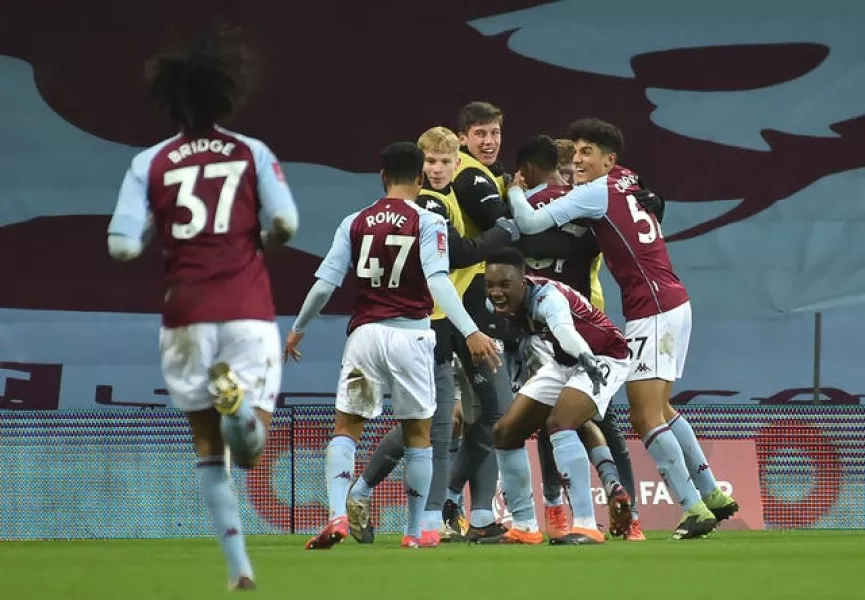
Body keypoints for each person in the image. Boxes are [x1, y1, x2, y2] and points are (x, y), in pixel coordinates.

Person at [106, 24, 298, 590]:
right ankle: (240, 410)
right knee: (252, 452)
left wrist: (153, 238)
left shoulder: (150, 162)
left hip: (185, 312)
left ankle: (239, 570)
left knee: (208, 452)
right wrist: (254, 242)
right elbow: (285, 223)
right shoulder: (251, 152)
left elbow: (119, 244)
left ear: (171, 99)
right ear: (224, 93)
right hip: (247, 307)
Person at [506, 118, 739, 539]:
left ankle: (694, 509)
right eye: (574, 153)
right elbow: (645, 196)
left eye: (587, 153)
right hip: (672, 299)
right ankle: (714, 494)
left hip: (651, 306)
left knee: (645, 416)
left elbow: (530, 224)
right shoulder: (627, 178)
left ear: (608, 160)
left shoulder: (594, 193)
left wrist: (515, 191)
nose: (578, 160)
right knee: (664, 409)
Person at [284, 142, 501, 550]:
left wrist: (298, 329)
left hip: (365, 337)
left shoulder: (354, 221)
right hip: (412, 336)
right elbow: (438, 282)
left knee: (347, 428)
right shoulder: (427, 221)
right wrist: (471, 330)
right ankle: (415, 531)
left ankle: (336, 515)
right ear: (420, 178)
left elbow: (324, 284)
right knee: (418, 434)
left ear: (382, 176)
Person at [346, 127, 518, 545]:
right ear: (420, 168)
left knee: (481, 414)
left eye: (446, 162)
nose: (438, 169)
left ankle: (462, 510)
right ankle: (424, 516)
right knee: (435, 425)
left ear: (457, 165)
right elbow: (458, 253)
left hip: (452, 318)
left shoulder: (451, 198)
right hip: (428, 324)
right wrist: (504, 230)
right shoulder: (426, 203)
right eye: (431, 162)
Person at [515, 134, 644, 540]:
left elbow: (534, 236)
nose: (571, 177)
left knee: (576, 420)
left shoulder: (585, 208)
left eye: (576, 168)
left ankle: (612, 512)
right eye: (566, 169)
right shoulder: (576, 209)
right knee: (565, 421)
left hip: (576, 325)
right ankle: (569, 504)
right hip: (553, 326)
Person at [480, 248, 630, 545]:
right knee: (505, 432)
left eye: (504, 285)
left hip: (602, 358)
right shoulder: (495, 303)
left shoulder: (549, 298)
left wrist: (586, 358)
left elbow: (563, 331)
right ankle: (524, 525)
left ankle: (587, 525)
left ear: (523, 281)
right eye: (490, 284)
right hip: (564, 362)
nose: (496, 292)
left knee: (561, 422)